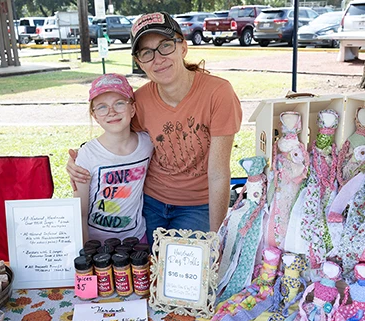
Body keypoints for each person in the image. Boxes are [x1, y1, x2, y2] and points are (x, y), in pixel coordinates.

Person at [67, 11, 242, 244]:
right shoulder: (140, 101)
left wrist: (216, 237)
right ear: (139, 62)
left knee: (181, 269)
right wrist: (81, 158)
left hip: (196, 205)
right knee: (143, 269)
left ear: (183, 47)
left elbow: (219, 174)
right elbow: (117, 136)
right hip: (149, 203)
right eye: (146, 53)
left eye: (165, 46)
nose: (157, 59)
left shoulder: (218, 93)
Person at [74, 73, 153, 243]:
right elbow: (79, 211)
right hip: (97, 244)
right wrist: (87, 251)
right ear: (94, 115)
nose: (111, 112)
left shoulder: (147, 144)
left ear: (132, 109)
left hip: (136, 240)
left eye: (119, 103)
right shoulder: (87, 154)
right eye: (102, 107)